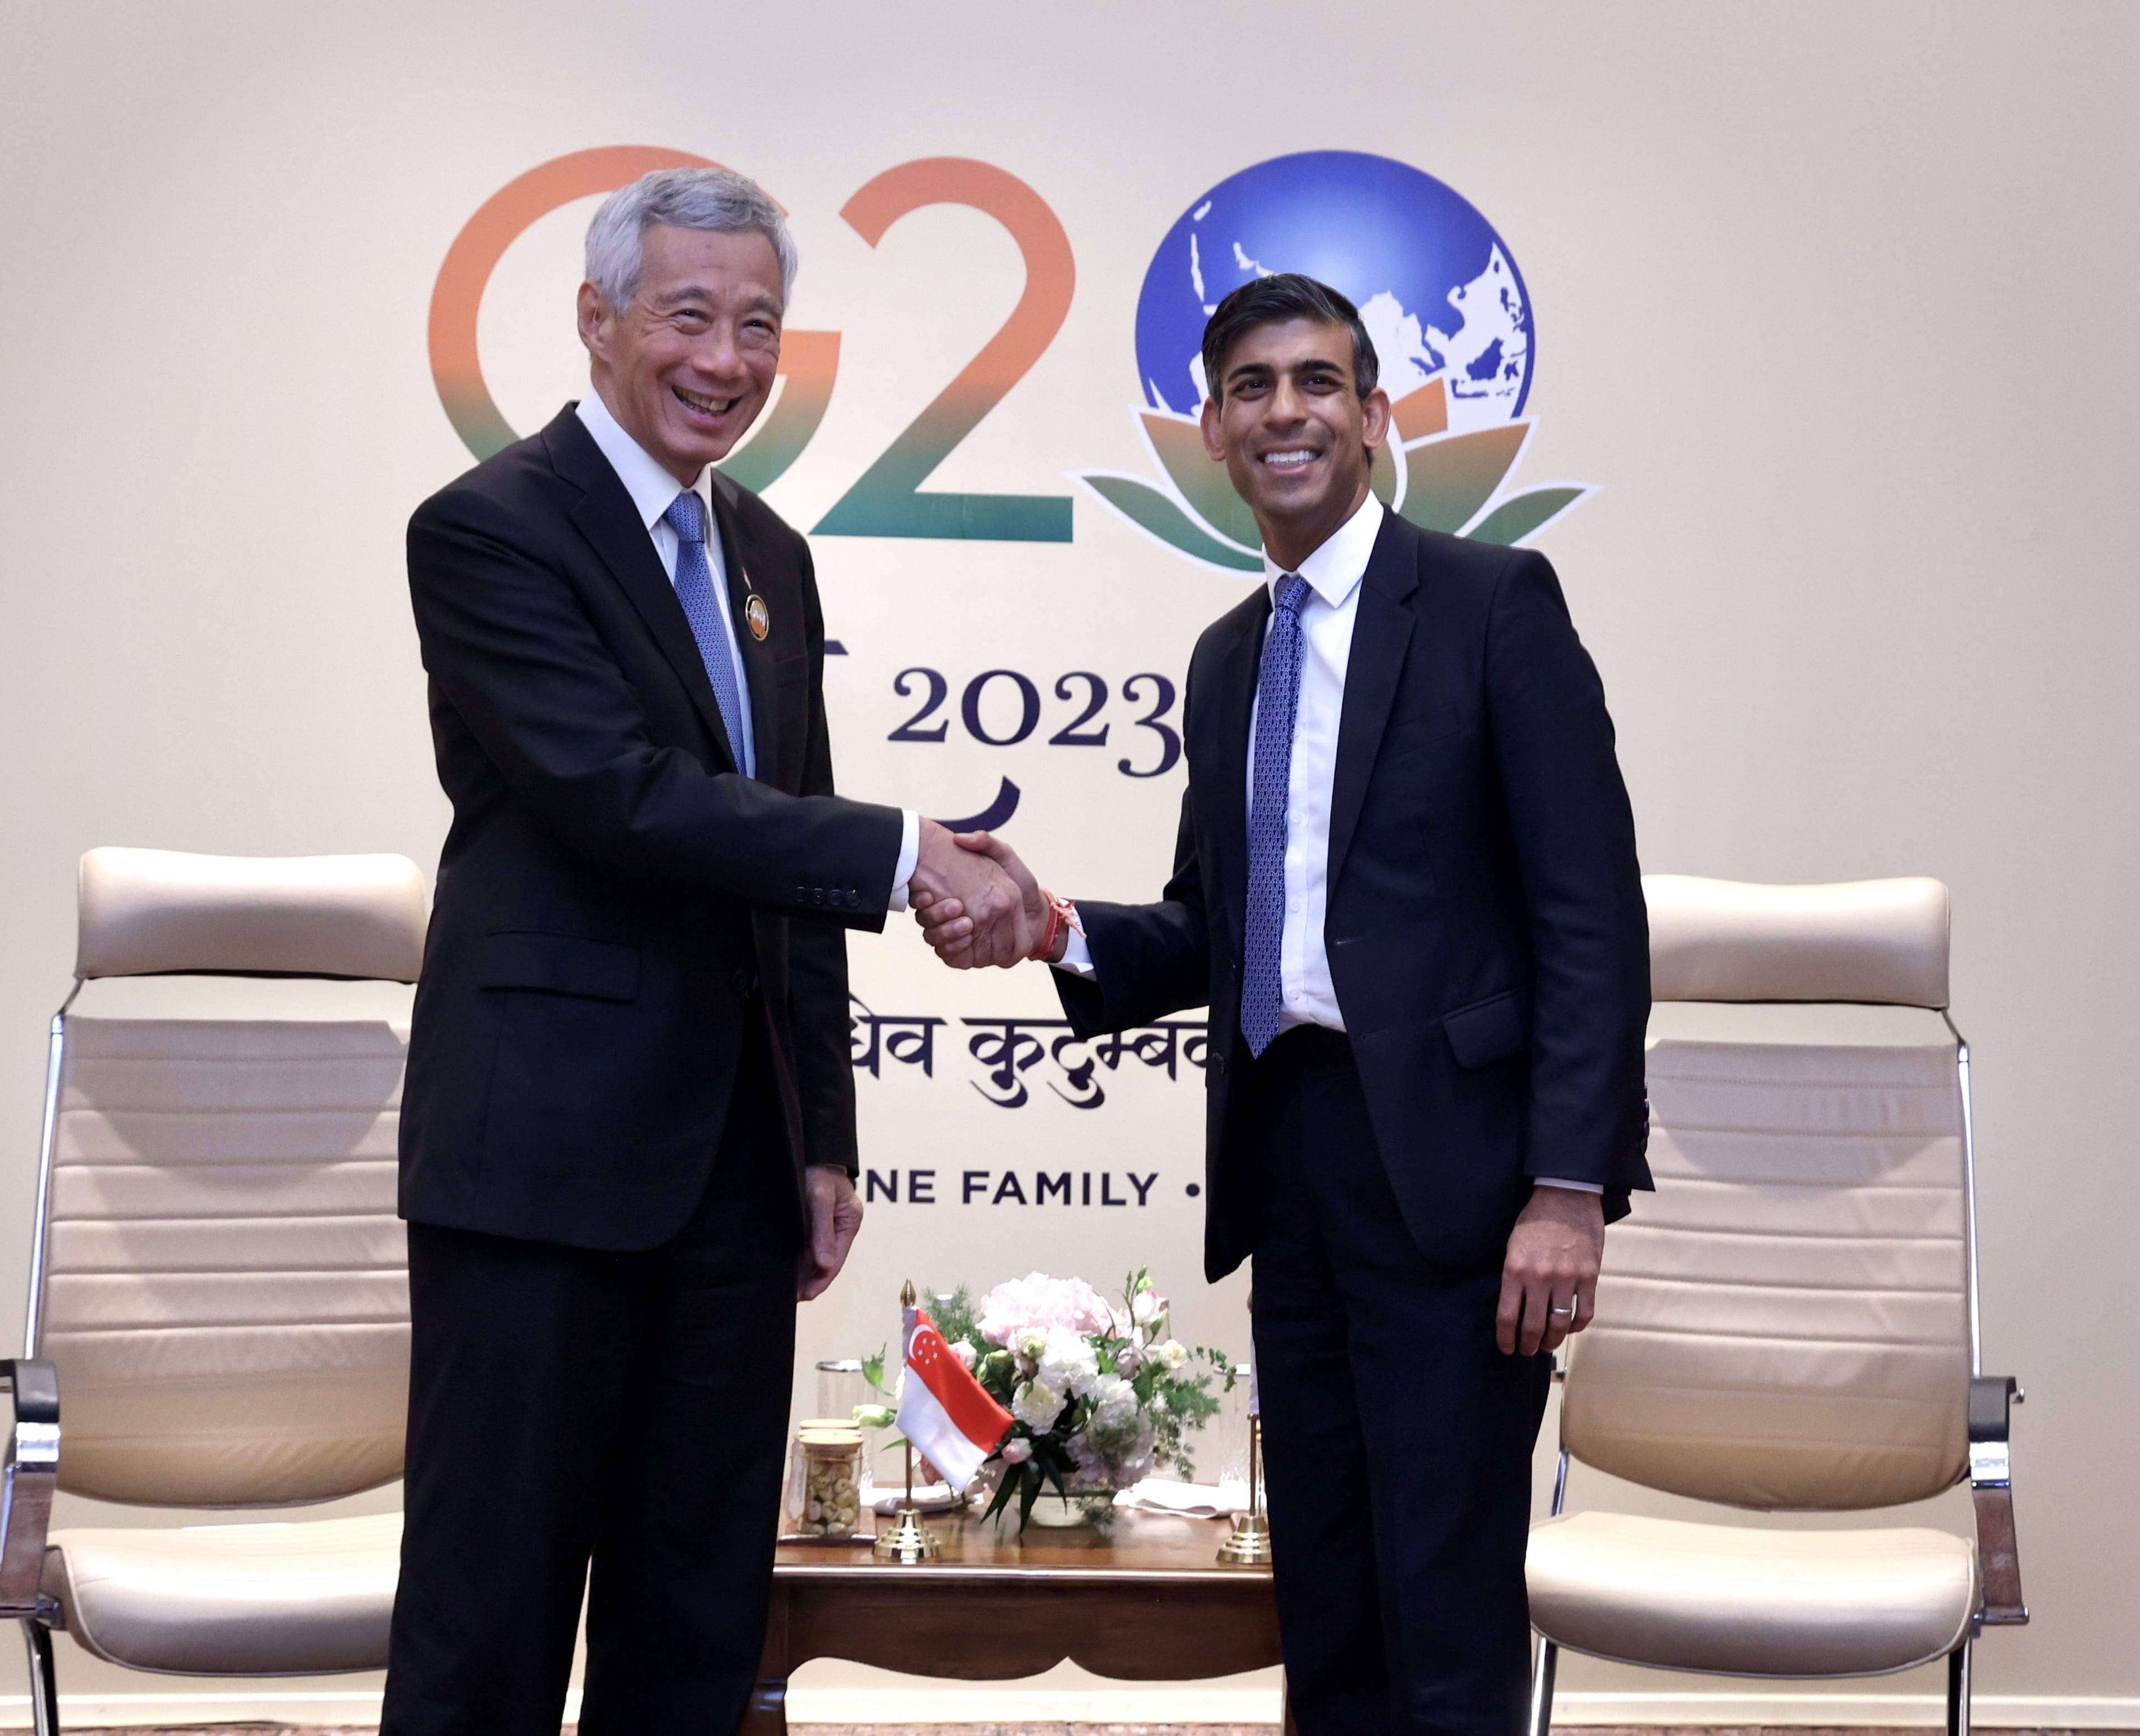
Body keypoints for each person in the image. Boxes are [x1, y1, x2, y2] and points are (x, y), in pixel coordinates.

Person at [916, 273, 1652, 1736]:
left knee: (1439, 1604)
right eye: (1250, 386)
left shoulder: (1493, 606)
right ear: (1211, 429)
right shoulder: (1229, 656)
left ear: (1374, 418)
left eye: (1317, 382)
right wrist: (1052, 928)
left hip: (1453, 1175)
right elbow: (1213, 925)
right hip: (1290, 1157)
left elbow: (1590, 913)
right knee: (1323, 1594)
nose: (1285, 411)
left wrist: (1566, 1188)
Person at [385, 168, 1019, 1736]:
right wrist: (905, 851)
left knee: (694, 1615)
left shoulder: (769, 558)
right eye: (688, 317)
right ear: (596, 320)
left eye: (757, 327)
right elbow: (626, 801)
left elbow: (777, 865)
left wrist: (821, 1139)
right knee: (491, 1619)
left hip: (732, 1179)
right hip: (539, 1159)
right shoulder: (488, 530)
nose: (724, 361)